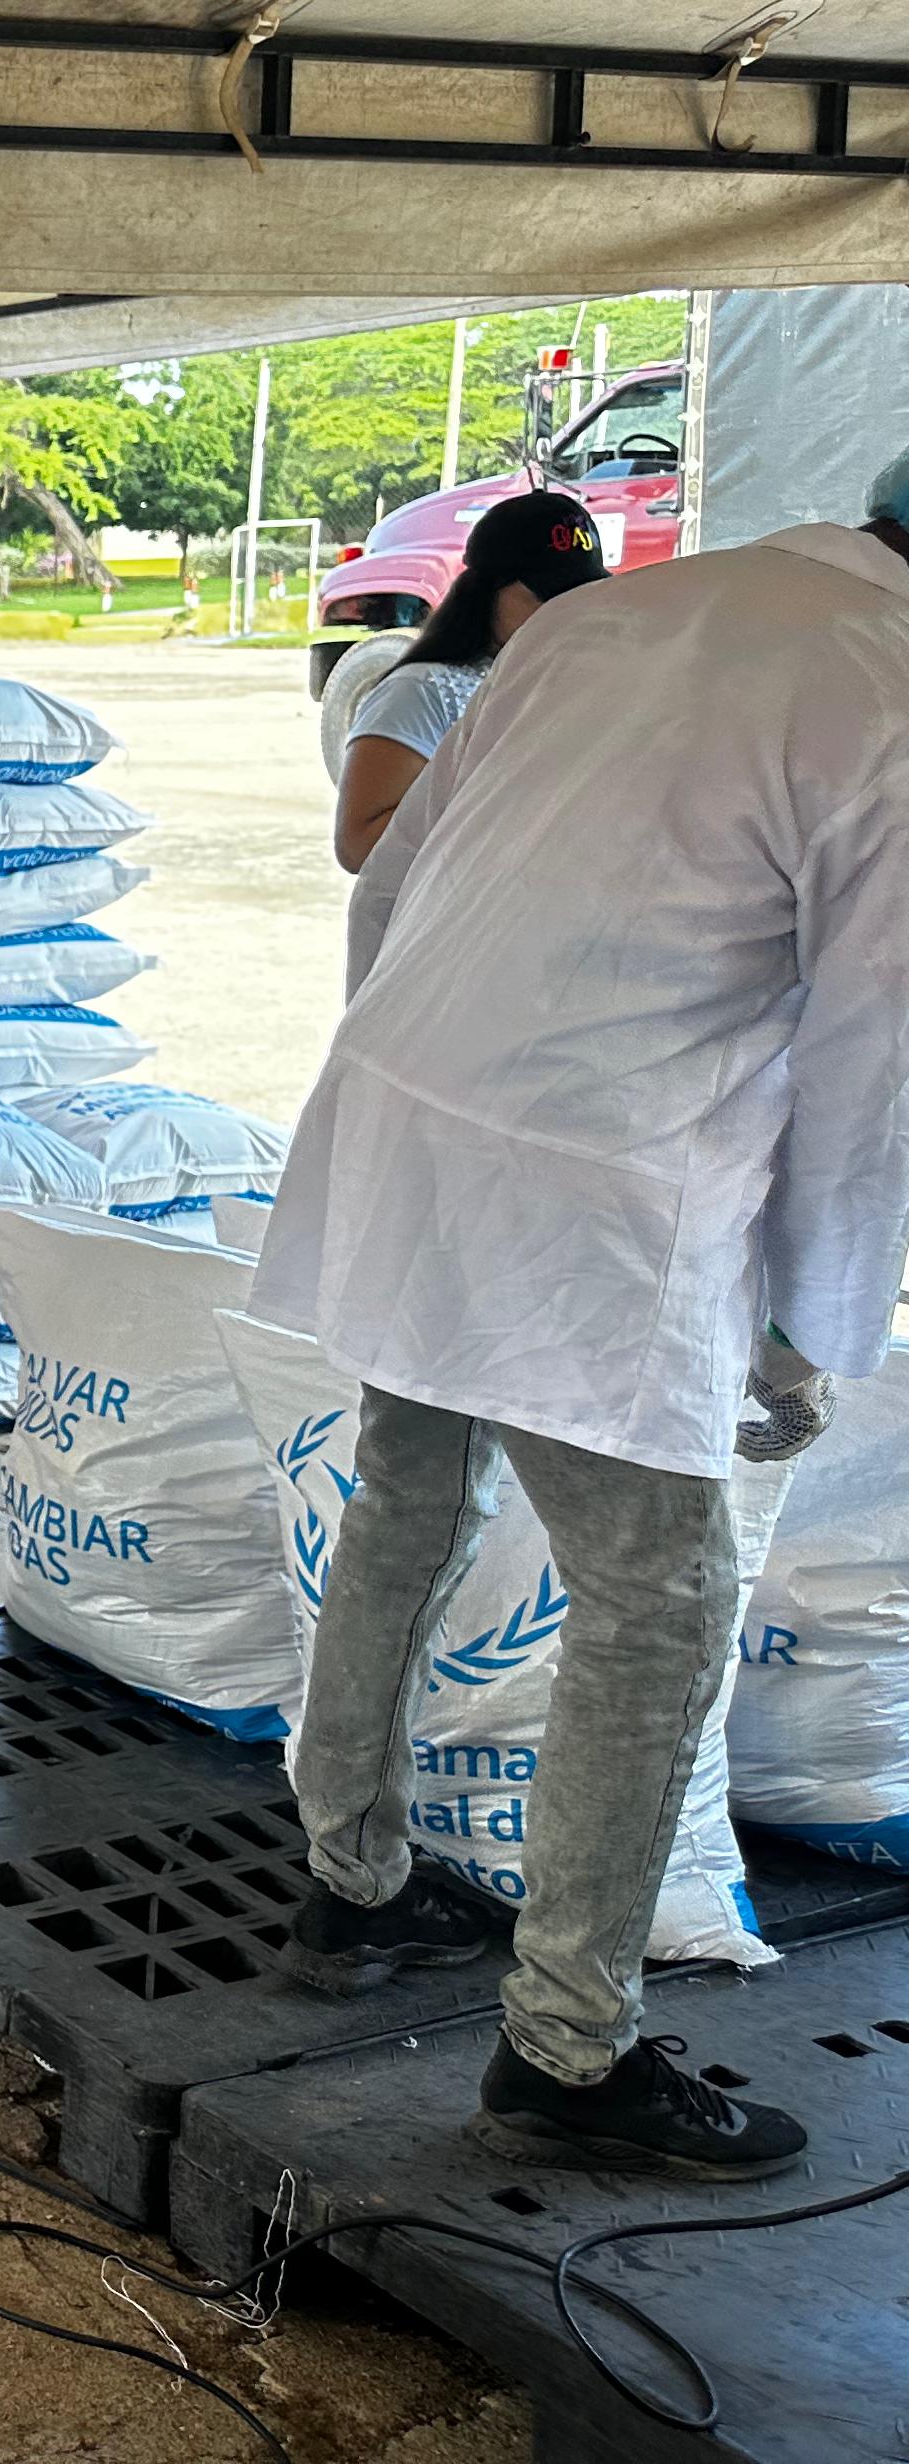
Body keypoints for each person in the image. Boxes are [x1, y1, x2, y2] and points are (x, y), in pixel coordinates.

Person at [247, 456, 909, 2180]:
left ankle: (353, 1880)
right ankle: (566, 2041)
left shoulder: (625, 611)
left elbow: (402, 871)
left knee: (404, 1497)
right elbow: (866, 1059)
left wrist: (392, 1085)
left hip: (413, 1098)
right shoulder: (887, 689)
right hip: (587, 1177)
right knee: (664, 1597)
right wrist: (808, 1330)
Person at [330, 488, 607, 869]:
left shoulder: (578, 681)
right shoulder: (422, 691)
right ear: (487, 591)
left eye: (583, 595)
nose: (569, 613)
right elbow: (358, 846)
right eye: (552, 596)